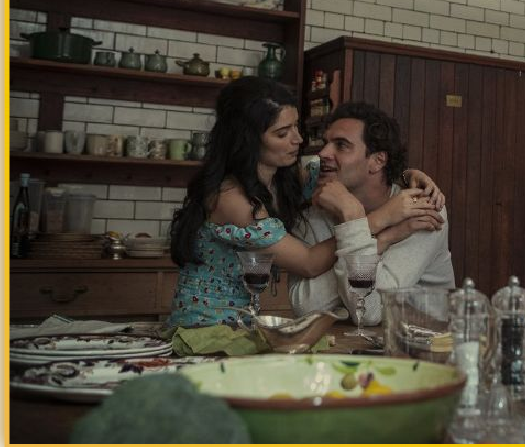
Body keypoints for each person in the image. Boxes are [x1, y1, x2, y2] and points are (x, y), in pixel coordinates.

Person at [168, 77, 338, 328]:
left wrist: (399, 177)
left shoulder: (283, 180)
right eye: (282, 133)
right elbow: (309, 263)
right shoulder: (232, 198)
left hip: (242, 321)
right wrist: (372, 225)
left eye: (296, 126)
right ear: (248, 139)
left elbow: (344, 168)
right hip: (206, 326)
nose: (298, 139)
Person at [288, 101, 454, 323]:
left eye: (341, 145)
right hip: (351, 340)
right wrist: (380, 236)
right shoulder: (312, 216)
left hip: (426, 338)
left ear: (377, 161)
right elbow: (303, 305)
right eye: (326, 143)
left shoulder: (421, 208)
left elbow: (369, 309)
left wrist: (353, 220)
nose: (323, 152)